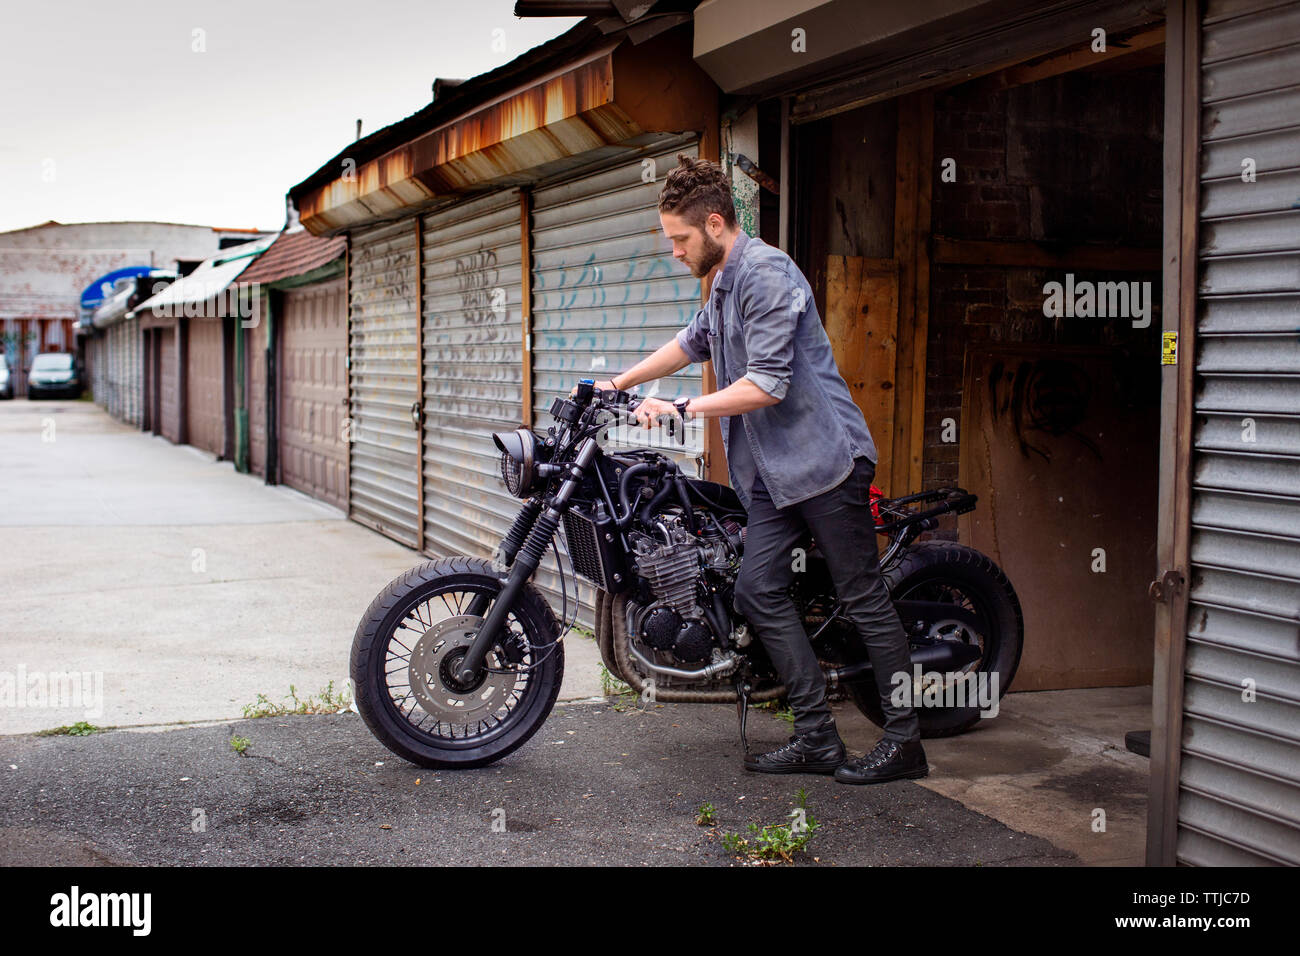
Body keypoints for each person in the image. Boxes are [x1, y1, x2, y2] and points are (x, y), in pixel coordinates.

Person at [591, 155, 927, 784]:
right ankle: (816, 737)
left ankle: (906, 740)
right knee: (757, 590)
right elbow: (690, 344)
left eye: (680, 240)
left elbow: (768, 384)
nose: (675, 253)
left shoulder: (767, 274)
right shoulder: (720, 285)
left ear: (715, 224)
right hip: (776, 475)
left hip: (826, 464)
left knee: (862, 599)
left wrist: (680, 406)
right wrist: (619, 382)